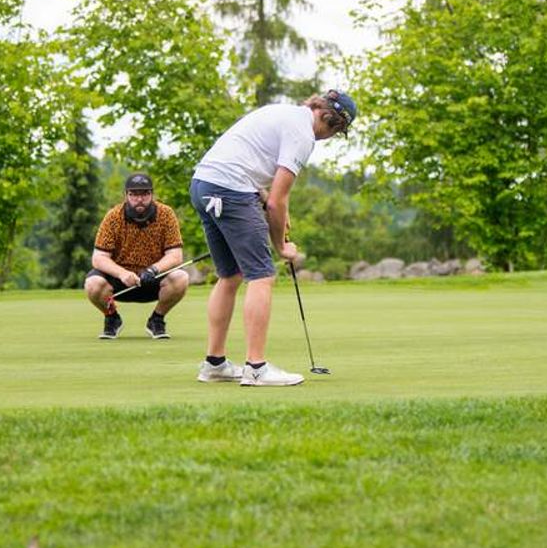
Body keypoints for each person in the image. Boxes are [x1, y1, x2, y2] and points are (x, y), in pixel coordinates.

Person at [189, 89, 357, 386]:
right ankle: (256, 368)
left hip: (203, 185)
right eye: (335, 131)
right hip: (230, 190)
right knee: (261, 275)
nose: (328, 137)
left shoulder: (283, 112)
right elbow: (277, 204)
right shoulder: (303, 135)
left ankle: (215, 364)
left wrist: (272, 203)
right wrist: (281, 246)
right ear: (329, 120)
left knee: (230, 275)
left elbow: (263, 178)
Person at [85, 172, 188, 341]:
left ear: (152, 194)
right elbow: (99, 258)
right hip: (120, 281)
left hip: (153, 278)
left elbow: (175, 255)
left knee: (181, 278)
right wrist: (122, 273)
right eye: (134, 194)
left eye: (145, 194)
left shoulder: (166, 214)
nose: (139, 199)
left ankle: (157, 319)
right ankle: (112, 317)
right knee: (93, 284)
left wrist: (153, 270)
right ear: (126, 195)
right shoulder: (113, 216)